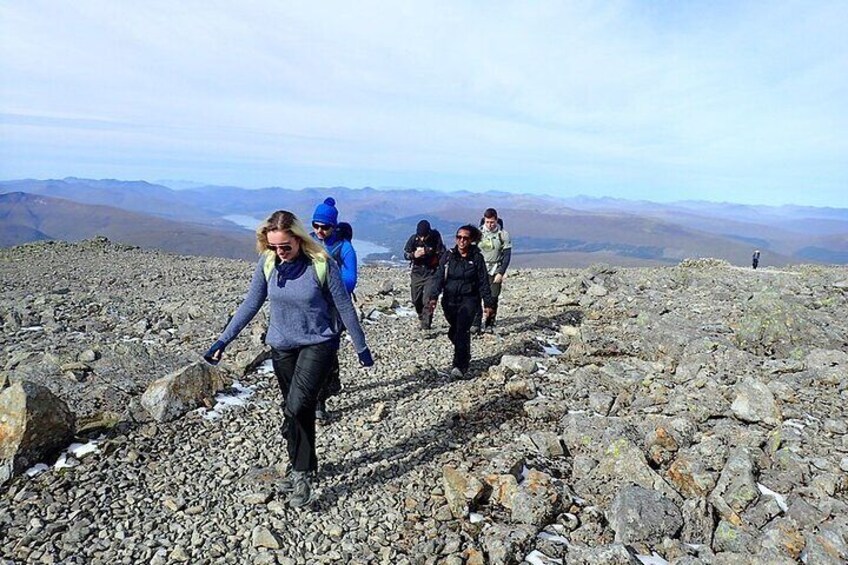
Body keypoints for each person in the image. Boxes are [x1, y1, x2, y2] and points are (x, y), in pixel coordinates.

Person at [204, 210, 373, 508]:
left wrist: (361, 347)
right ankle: (303, 466)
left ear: (298, 239)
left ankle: (302, 476)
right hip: (282, 347)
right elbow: (250, 303)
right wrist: (223, 340)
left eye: (286, 247)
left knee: (296, 407)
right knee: (296, 409)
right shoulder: (268, 263)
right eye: (274, 247)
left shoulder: (322, 264)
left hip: (318, 344)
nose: (280, 253)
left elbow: (345, 307)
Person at [309, 197, 358, 421]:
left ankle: (322, 396)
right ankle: (319, 397)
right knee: (317, 350)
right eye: (315, 225)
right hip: (309, 306)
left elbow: (350, 279)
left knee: (327, 348)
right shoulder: (306, 243)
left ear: (333, 226)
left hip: (334, 308)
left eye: (325, 227)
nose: (319, 231)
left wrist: (327, 284)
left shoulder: (344, 248)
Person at [429, 225, 494, 379]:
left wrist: (488, 304)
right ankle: (464, 349)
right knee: (454, 330)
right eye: (459, 237)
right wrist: (433, 297)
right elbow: (439, 277)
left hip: (469, 299)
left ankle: (459, 365)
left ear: (471, 240)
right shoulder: (448, 256)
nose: (462, 241)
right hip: (450, 300)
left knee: (461, 330)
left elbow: (483, 281)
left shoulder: (477, 258)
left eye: (465, 238)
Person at [473, 208, 512, 333]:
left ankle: (489, 322)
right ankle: (476, 323)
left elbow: (507, 255)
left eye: (492, 222)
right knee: (476, 296)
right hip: (479, 269)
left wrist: (501, 272)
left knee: (492, 297)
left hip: (494, 268)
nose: (490, 225)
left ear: (496, 220)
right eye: (487, 222)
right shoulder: (477, 233)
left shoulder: (503, 234)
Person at [403, 219, 445, 330]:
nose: (422, 239)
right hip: (417, 272)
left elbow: (442, 253)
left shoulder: (435, 237)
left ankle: (426, 325)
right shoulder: (413, 239)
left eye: (424, 236)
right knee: (416, 299)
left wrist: (429, 252)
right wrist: (413, 255)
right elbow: (405, 253)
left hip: (431, 271)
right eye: (420, 236)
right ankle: (421, 315)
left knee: (428, 298)